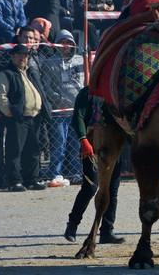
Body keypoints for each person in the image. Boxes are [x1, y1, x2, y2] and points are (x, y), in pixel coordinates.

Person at [63, 85, 125, 244]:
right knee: (90, 187)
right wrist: (83, 139)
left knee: (112, 188)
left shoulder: (116, 93)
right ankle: (72, 225)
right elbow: (78, 117)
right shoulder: (87, 93)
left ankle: (106, 231)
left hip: (112, 148)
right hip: (92, 145)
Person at [0, 42, 52, 191]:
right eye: (19, 55)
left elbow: (40, 90)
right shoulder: (5, 73)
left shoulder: (31, 72)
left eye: (25, 55)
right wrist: (10, 112)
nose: (22, 58)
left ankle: (32, 180)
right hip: (17, 118)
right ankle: (14, 182)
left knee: (33, 150)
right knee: (14, 151)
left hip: (34, 117)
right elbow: (0, 96)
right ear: (12, 56)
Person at [42, 30, 83, 185]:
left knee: (76, 144)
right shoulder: (49, 62)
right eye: (62, 42)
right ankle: (55, 173)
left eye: (69, 42)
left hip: (77, 111)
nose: (66, 46)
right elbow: (47, 87)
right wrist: (60, 99)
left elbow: (86, 82)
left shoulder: (81, 60)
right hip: (60, 112)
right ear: (57, 44)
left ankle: (75, 173)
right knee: (59, 143)